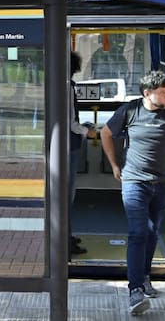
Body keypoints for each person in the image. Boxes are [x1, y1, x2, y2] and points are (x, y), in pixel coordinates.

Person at [100, 70, 165, 315]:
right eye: (163, 92)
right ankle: (135, 291)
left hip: (162, 183)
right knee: (137, 233)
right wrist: (114, 165)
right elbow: (106, 133)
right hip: (134, 182)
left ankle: (144, 276)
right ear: (148, 94)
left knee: (153, 232)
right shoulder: (130, 111)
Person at [69, 52, 97, 255]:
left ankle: (67, 235)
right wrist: (88, 132)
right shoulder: (67, 87)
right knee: (67, 194)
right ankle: (66, 240)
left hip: (68, 145)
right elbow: (70, 122)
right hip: (69, 146)